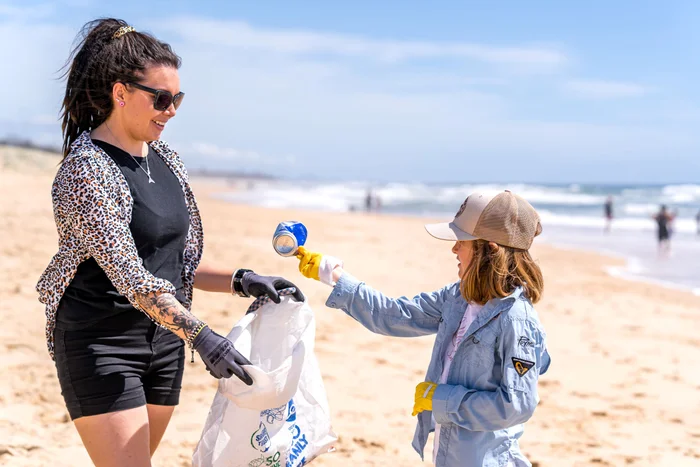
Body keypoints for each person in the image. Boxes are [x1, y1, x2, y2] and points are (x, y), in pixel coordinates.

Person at [35, 19, 303, 467]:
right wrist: (202, 337)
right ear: (120, 93)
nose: (172, 109)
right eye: (160, 98)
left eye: (177, 98)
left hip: (165, 344)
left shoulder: (166, 160)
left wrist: (244, 280)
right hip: (102, 342)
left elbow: (174, 264)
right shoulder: (87, 169)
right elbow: (132, 277)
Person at [295, 191, 551, 466]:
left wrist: (441, 398)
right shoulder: (457, 297)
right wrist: (334, 276)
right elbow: (393, 315)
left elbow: (516, 406)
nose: (454, 249)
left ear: (489, 250)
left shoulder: (516, 318)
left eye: (461, 241)